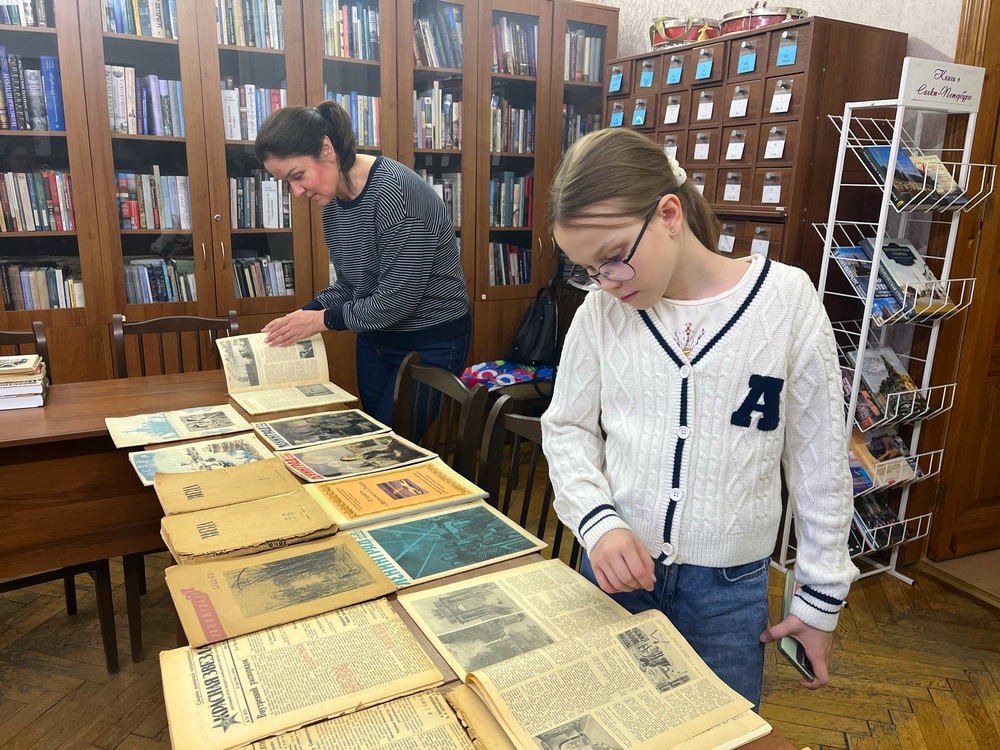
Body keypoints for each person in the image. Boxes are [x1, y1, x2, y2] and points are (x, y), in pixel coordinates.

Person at [540, 127, 857, 710]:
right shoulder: (600, 312)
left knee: (720, 730)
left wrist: (820, 598)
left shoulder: (786, 301)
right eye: (588, 269)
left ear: (668, 215)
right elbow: (567, 428)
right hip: (614, 572)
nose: (605, 282)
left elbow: (820, 462)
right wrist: (596, 523)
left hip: (729, 597)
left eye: (613, 259)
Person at [254, 101, 471, 427]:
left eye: (297, 176)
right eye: (287, 183)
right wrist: (304, 314)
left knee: (393, 445)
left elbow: (396, 301)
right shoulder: (333, 205)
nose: (296, 192)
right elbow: (350, 285)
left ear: (326, 149)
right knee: (374, 434)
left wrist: (320, 320)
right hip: (375, 338)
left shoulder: (397, 195)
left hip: (430, 340)